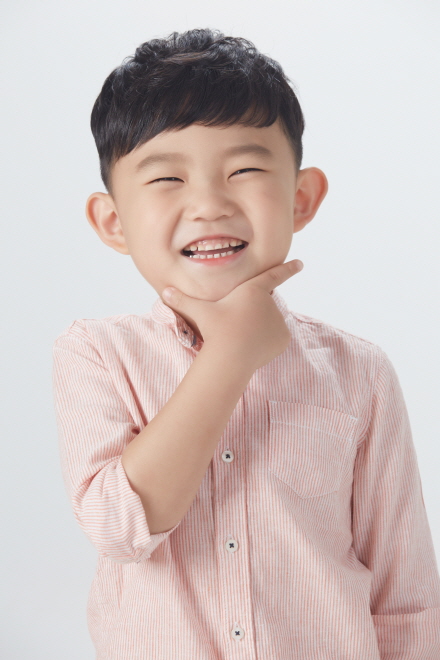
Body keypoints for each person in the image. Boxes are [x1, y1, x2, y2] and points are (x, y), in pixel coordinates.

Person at [52, 27, 440, 659]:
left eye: (245, 169)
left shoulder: (359, 372)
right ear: (113, 221)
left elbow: (406, 594)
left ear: (301, 198)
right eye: (167, 178)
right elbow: (119, 527)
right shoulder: (96, 353)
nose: (208, 204)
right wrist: (231, 354)